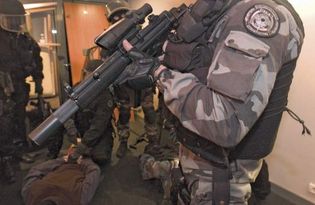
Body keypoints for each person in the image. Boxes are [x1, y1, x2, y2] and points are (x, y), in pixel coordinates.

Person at [119, 0, 305, 204]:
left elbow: (226, 122)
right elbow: (200, 64)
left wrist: (159, 74)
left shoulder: (257, 15)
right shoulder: (227, 7)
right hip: (201, 158)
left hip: (222, 173)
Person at [102, 1, 158, 158]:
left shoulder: (141, 32)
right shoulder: (109, 38)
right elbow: (105, 61)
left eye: (122, 15)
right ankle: (123, 142)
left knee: (149, 111)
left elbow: (153, 51)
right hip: (124, 83)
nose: (120, 18)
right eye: (116, 17)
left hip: (143, 79)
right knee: (124, 113)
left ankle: (153, 142)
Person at [0, 0, 44, 183]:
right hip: (3, 91)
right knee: (5, 124)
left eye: (17, 19)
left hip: (19, 88)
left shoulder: (25, 39)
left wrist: (38, 82)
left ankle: (18, 152)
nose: (15, 23)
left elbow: (36, 60)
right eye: (11, 19)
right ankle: (7, 159)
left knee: (19, 119)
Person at [64, 59, 115, 166]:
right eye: (87, 74)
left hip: (98, 134)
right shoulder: (76, 89)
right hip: (80, 130)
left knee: (100, 158)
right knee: (53, 126)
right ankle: (52, 154)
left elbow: (98, 126)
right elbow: (65, 113)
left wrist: (81, 148)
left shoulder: (105, 96)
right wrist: (71, 129)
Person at [21, 152, 101, 205]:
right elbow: (94, 171)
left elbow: (35, 170)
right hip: (81, 162)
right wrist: (83, 160)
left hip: (67, 160)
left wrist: (63, 159)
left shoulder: (30, 194)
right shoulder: (78, 198)